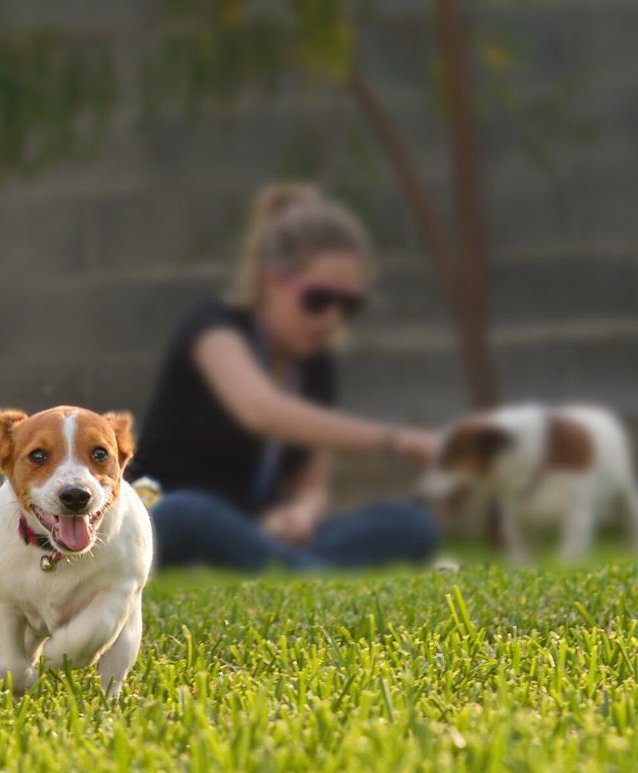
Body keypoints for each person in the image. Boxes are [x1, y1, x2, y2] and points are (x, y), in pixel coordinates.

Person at [125, 183, 441, 571]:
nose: (332, 319)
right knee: (185, 514)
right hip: (163, 510)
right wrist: (397, 439)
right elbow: (260, 410)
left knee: (412, 525)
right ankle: (308, 569)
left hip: (253, 531)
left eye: (348, 306)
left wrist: (301, 515)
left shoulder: (315, 367)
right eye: (318, 300)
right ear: (274, 281)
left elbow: (313, 484)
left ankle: (294, 564)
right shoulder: (214, 329)